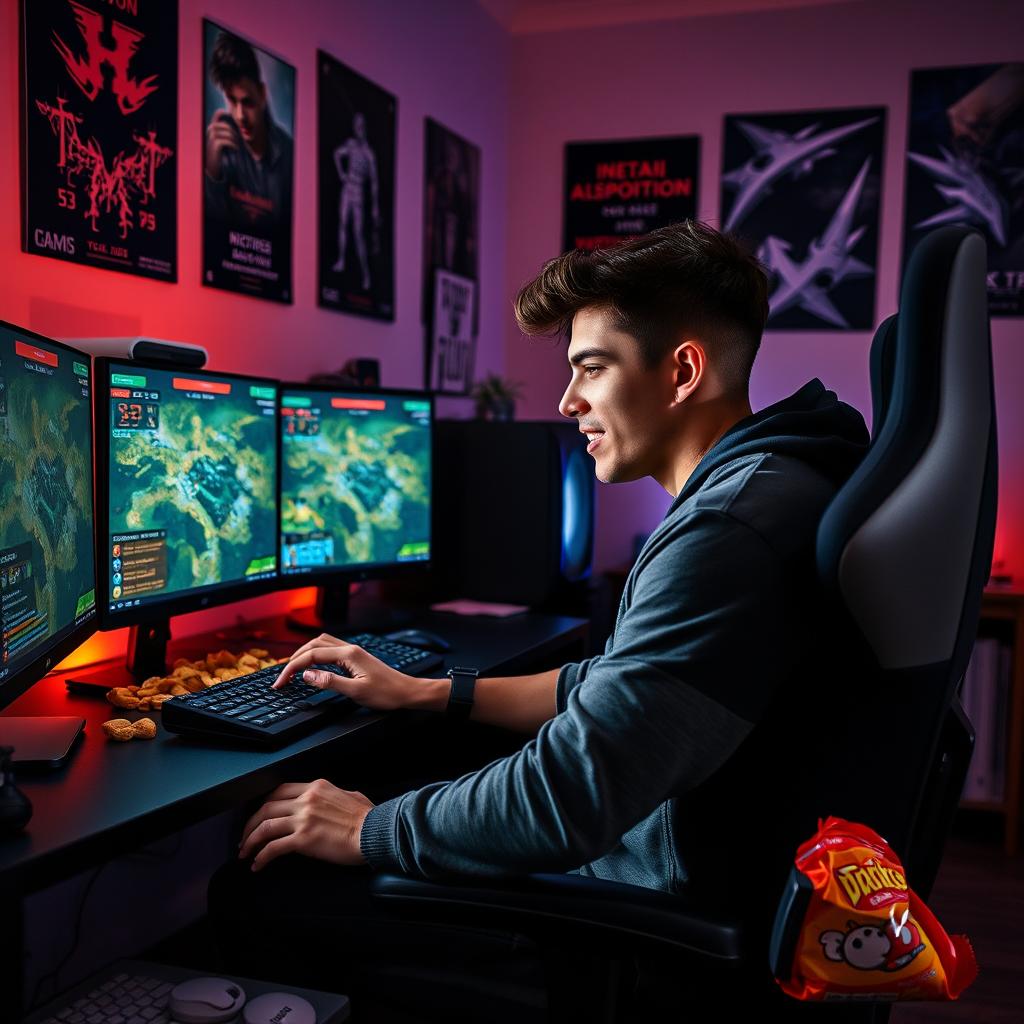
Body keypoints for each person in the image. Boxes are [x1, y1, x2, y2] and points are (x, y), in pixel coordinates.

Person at [209, 220, 868, 1016]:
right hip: (673, 856)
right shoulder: (775, 484)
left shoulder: (730, 528)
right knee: (391, 779)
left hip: (639, 910)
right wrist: (432, 693)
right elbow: (623, 688)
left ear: (683, 370)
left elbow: (571, 793)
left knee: (263, 883)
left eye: (591, 369)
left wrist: (372, 829)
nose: (567, 402)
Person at [204, 30, 293, 240]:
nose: (239, 115)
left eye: (247, 102)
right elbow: (213, 236)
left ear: (262, 95)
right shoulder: (220, 145)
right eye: (232, 101)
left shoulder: (289, 152)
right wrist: (211, 174)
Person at [332, 112, 380, 290]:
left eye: (360, 125)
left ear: (364, 128)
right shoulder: (351, 145)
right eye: (355, 125)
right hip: (348, 188)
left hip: (359, 191)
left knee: (358, 234)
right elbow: (337, 153)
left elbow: (375, 183)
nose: (357, 129)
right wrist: (341, 174)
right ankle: (342, 260)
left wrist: (375, 207)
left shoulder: (369, 154)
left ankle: (366, 274)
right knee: (342, 224)